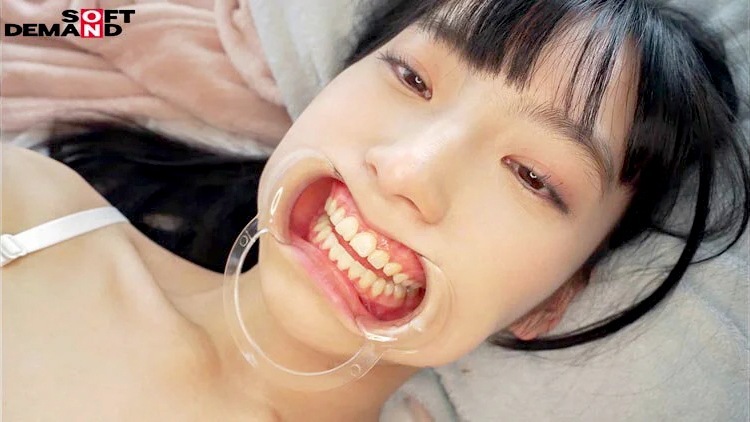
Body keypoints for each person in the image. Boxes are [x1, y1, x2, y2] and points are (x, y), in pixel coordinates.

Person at [3, 0, 748, 420]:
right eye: (412, 78)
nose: (409, 171)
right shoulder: (29, 211)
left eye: (531, 176)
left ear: (553, 300)